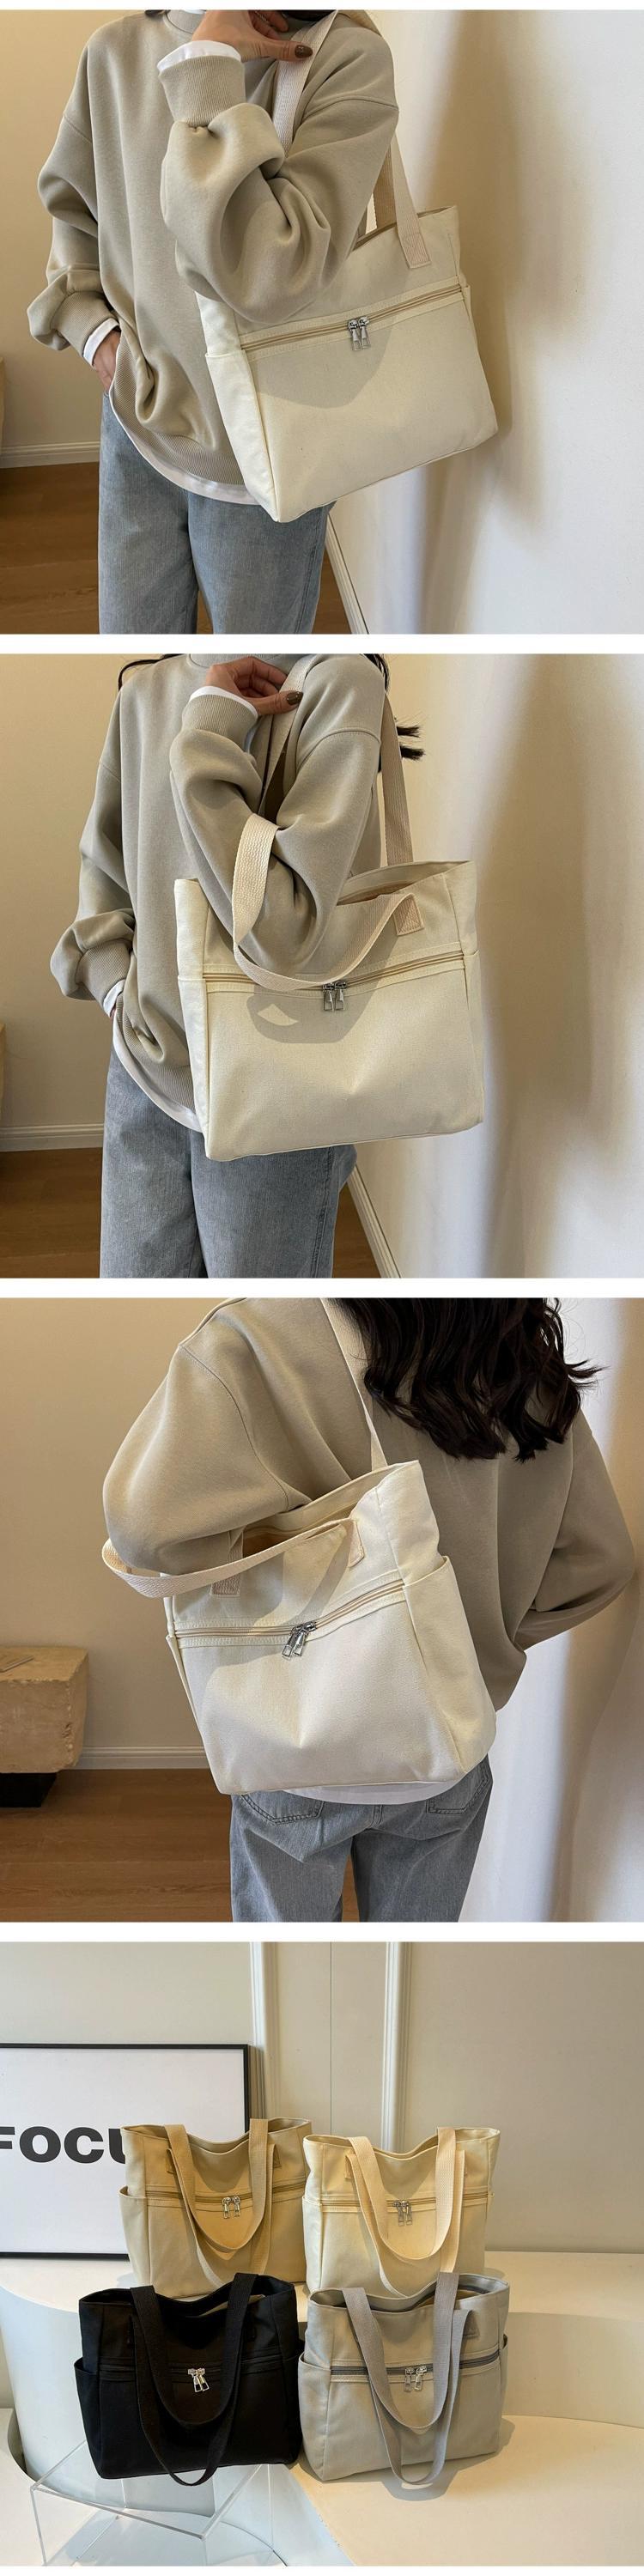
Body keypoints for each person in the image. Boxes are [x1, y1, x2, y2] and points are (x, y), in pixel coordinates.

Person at [102, 1296, 635, 1922]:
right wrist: (480, 1638)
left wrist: (280, 1556)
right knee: (413, 1957)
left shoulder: (258, 1335)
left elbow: (143, 1528)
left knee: (294, 1965)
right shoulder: (522, 1361)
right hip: (446, 1745)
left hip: (300, 1747)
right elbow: (601, 1560)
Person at [50, 651, 419, 1278]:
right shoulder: (145, 690)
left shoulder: (339, 686)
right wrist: (114, 990)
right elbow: (106, 865)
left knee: (259, 1309)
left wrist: (209, 731)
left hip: (279, 1088)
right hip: (145, 1063)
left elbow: (281, 931)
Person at [27, 9, 398, 631]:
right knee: (136, 650)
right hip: (136, 426)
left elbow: (270, 275)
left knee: (260, 668)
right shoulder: (116, 51)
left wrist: (205, 74)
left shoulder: (346, 57)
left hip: (269, 461)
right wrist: (95, 336)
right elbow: (76, 209)